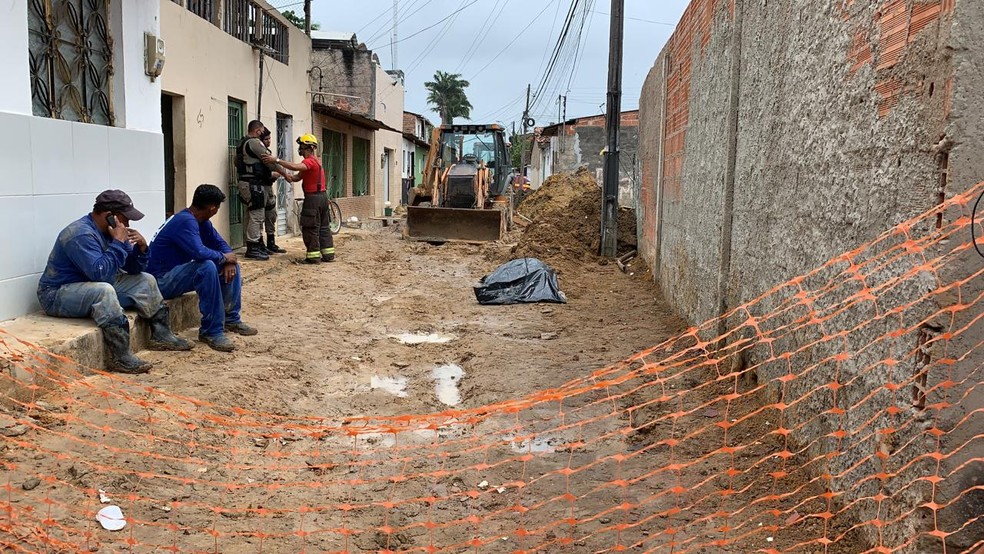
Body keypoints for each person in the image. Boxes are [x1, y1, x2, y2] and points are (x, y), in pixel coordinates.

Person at [37, 190, 192, 374]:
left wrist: (142, 249)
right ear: (109, 216)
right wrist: (118, 243)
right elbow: (99, 275)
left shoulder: (111, 232)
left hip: (90, 286)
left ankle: (161, 334)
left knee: (146, 280)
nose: (128, 224)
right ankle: (120, 356)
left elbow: (134, 270)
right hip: (56, 294)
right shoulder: (80, 234)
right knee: (104, 290)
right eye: (125, 219)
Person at [147, 184, 257, 352]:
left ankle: (231, 319)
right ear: (212, 208)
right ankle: (211, 331)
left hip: (175, 275)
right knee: (206, 267)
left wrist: (228, 260)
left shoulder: (200, 220)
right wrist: (223, 257)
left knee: (231, 264)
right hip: (160, 281)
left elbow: (220, 244)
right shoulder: (185, 221)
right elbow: (198, 252)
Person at [269, 134, 335, 264]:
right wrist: (284, 175)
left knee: (310, 227)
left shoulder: (309, 161)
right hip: (322, 197)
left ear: (310, 148)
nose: (300, 150)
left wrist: (276, 160)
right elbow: (297, 177)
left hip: (313, 199)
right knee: (323, 227)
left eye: (302, 147)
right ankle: (328, 255)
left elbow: (295, 167)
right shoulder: (316, 162)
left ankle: (313, 257)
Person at [235, 120, 278, 260]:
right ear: (258, 131)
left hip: (249, 183)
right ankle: (253, 247)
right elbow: (269, 161)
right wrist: (285, 173)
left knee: (254, 214)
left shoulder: (243, 143)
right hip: (253, 184)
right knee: (257, 215)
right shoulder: (253, 142)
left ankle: (257, 245)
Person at [259, 128, 287, 254]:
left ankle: (271, 242)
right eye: (266, 139)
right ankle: (260, 244)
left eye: (270, 138)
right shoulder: (260, 154)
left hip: (268, 187)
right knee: (259, 217)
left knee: (271, 215)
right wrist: (275, 174)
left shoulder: (267, 152)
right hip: (260, 187)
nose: (269, 141)